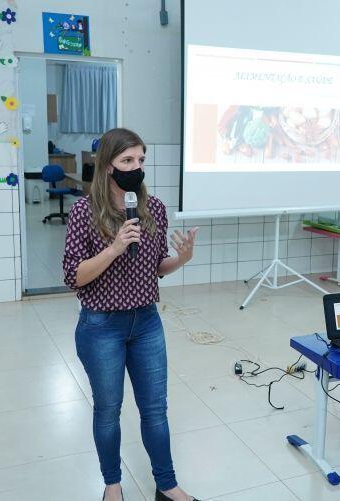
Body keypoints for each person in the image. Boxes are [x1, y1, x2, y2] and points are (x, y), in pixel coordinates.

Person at [63, 128, 199, 501]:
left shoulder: (152, 208)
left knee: (155, 409)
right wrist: (114, 248)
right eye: (127, 161)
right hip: (101, 326)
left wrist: (182, 259)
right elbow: (73, 276)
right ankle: (112, 485)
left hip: (147, 323)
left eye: (141, 160)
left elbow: (156, 268)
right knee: (108, 411)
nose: (135, 168)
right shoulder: (83, 212)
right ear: (108, 166)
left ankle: (167, 486)